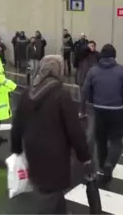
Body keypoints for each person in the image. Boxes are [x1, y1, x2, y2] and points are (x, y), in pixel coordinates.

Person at [10, 55, 91, 214]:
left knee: (45, 189)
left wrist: (17, 148)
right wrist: (84, 156)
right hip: (55, 154)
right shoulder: (61, 94)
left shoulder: (28, 94)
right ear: (58, 71)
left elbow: (17, 124)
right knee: (51, 192)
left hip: (33, 151)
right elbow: (74, 130)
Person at [81, 44, 123, 182]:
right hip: (117, 110)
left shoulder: (93, 71)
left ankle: (103, 166)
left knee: (101, 140)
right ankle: (109, 164)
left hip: (99, 109)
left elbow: (85, 90)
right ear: (114, 56)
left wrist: (87, 105)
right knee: (116, 140)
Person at [76, 40, 99, 118]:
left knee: (95, 98)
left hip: (94, 80)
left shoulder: (97, 55)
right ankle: (82, 112)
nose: (90, 48)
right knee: (83, 97)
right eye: (89, 46)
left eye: (92, 46)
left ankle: (96, 113)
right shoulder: (83, 54)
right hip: (83, 79)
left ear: (95, 47)